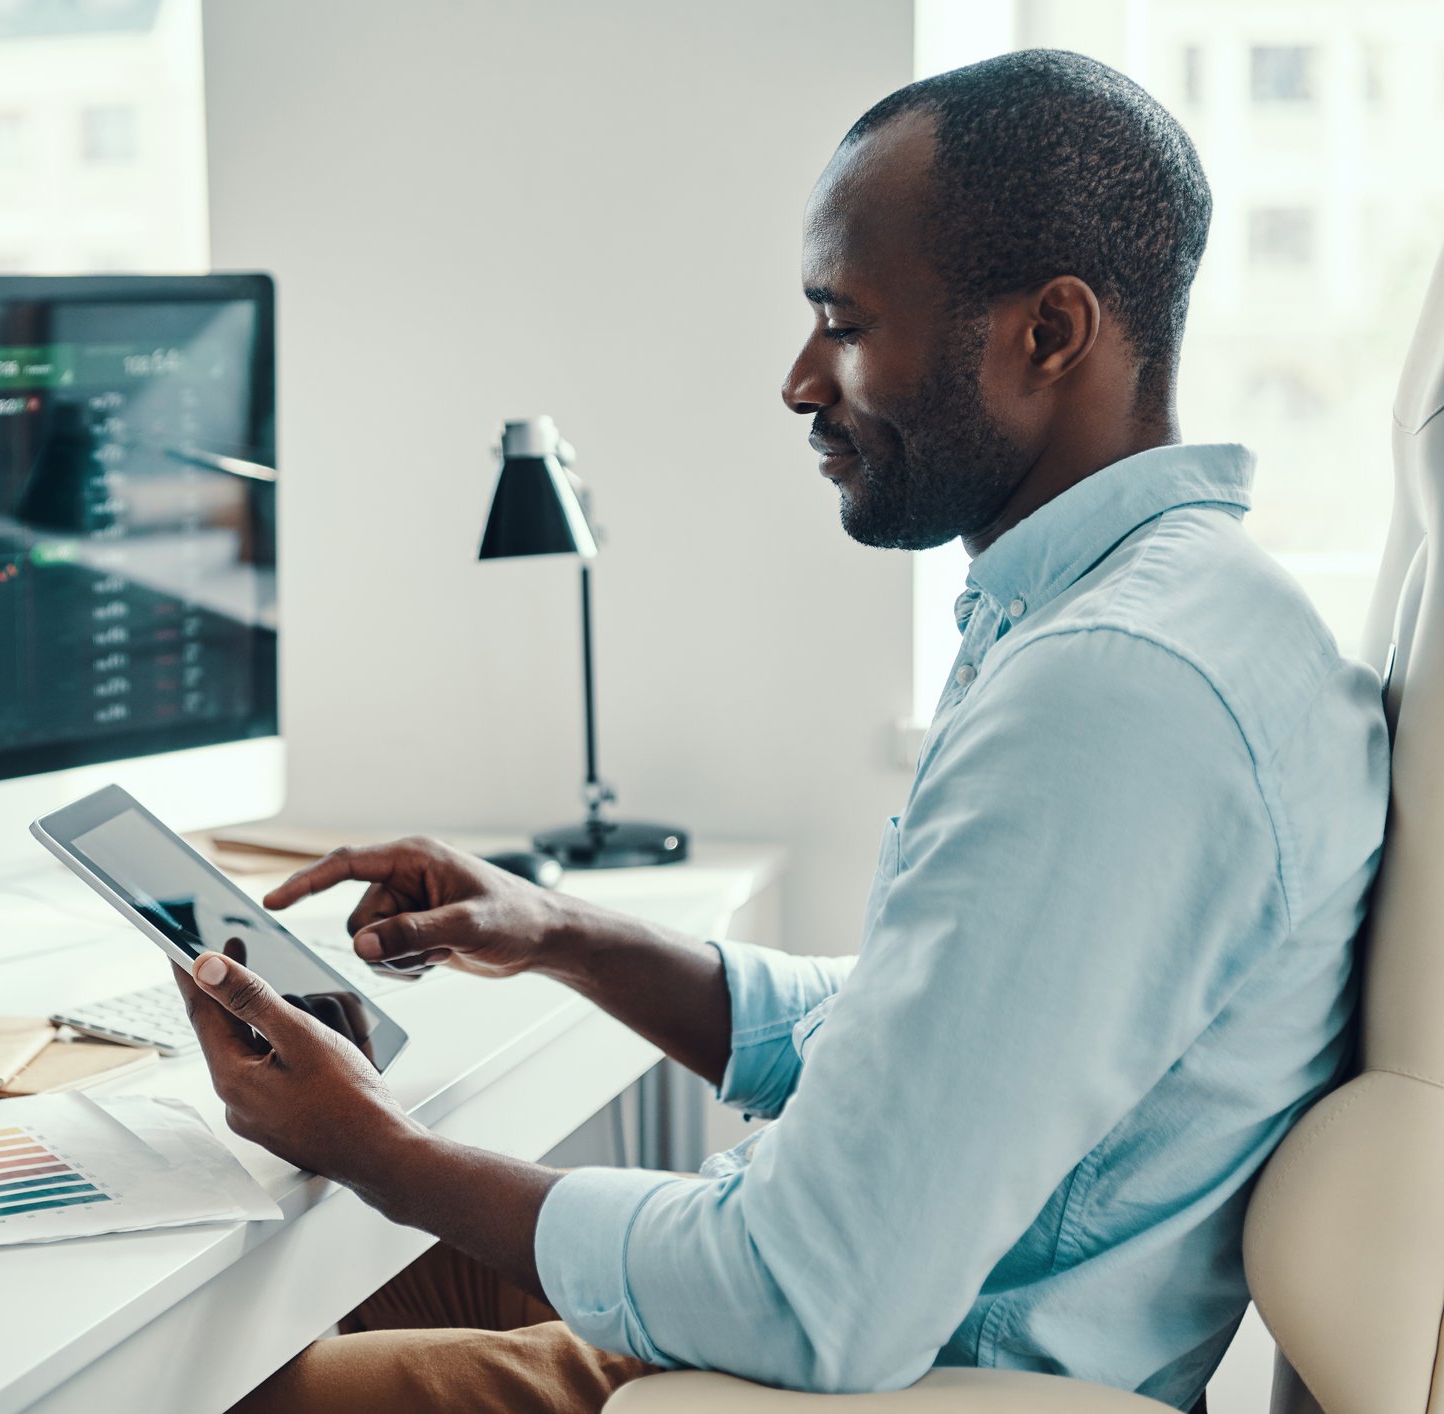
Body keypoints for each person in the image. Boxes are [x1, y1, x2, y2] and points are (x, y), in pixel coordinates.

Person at [176, 49, 1390, 1414]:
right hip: (846, 1322)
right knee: (284, 1303)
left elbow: (813, 1301)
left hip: (870, 1379)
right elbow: (922, 1027)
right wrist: (562, 932)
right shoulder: (1171, 615)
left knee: (202, 1383)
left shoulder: (1114, 691)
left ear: (1049, 332)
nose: (802, 379)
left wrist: (375, 1146)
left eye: (847, 322)